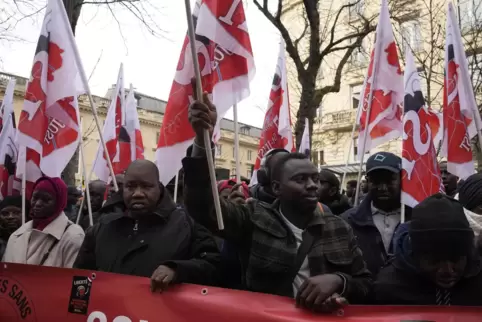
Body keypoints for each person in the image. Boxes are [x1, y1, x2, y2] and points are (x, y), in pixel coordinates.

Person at [183, 94, 372, 313]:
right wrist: (201, 139)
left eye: (315, 179)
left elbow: (365, 284)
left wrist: (338, 281)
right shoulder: (252, 218)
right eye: (300, 180)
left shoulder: (339, 227)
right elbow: (202, 207)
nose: (312, 185)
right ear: (276, 188)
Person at [74, 160, 220, 291]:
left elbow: (213, 266)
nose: (138, 193)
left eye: (146, 186)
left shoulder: (187, 225)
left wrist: (177, 270)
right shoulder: (102, 226)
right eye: (131, 186)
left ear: (159, 187)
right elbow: (80, 277)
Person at [375, 194, 482, 306]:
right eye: (435, 260)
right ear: (415, 254)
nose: (447, 270)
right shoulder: (388, 289)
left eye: (455, 259)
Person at [341, 152, 407, 276]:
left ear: (401, 179)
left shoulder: (416, 219)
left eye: (389, 180)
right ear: (367, 181)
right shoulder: (347, 221)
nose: (382, 187)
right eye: (376, 181)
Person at [2, 177, 84, 267]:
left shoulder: (73, 237)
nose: (37, 203)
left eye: (46, 199)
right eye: (35, 197)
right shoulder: (17, 234)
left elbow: (72, 278)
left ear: (59, 202)